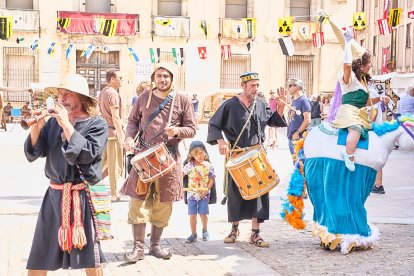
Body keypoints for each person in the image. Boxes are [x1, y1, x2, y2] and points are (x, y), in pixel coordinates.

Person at [24, 74, 107, 274]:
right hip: (54, 197)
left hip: (82, 197)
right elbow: (35, 153)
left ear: (81, 98)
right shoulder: (52, 123)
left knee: (91, 260)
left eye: (68, 94)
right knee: (38, 257)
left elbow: (89, 153)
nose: (62, 98)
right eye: (61, 94)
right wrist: (36, 129)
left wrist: (67, 125)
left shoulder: (97, 124)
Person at [122, 63, 196, 262]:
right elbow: (132, 122)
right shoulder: (143, 98)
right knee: (138, 201)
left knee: (164, 203)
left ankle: (155, 245)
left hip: (169, 158)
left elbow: (191, 128)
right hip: (144, 156)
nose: (163, 79)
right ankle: (138, 247)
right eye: (159, 76)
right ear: (154, 77)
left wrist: (178, 131)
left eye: (167, 76)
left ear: (172, 78)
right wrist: (129, 138)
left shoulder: (183, 100)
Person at [207, 72, 286, 248]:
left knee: (259, 192)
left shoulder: (261, 103)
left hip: (257, 154)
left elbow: (272, 121)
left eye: (257, 85)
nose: (256, 89)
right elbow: (214, 124)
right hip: (237, 155)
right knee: (237, 193)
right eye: (252, 85)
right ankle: (234, 229)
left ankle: (255, 234)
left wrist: (280, 107)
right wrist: (220, 142)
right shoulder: (229, 105)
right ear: (243, 86)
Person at [332, 27, 389, 172]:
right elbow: (347, 65)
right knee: (356, 129)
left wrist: (380, 99)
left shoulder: (363, 80)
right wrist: (347, 44)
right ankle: (349, 154)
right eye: (369, 61)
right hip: (349, 111)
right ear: (362, 63)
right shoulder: (349, 77)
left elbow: (367, 103)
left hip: (360, 112)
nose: (371, 64)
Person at [99, 69, 124, 202]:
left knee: (103, 163)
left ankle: (90, 184)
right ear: (113, 79)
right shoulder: (113, 94)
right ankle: (114, 193)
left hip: (104, 132)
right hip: (113, 133)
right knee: (114, 164)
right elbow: (115, 117)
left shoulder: (103, 91)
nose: (122, 80)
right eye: (120, 77)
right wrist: (121, 136)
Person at [182, 141, 216, 243]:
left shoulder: (208, 165)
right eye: (196, 154)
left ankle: (205, 231)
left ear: (205, 152)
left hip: (204, 195)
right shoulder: (189, 165)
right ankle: (193, 234)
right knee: (192, 215)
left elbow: (212, 179)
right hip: (191, 195)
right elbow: (181, 175)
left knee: (203, 214)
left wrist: (207, 190)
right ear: (191, 155)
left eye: (201, 153)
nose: (199, 156)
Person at [282, 78, 311, 155]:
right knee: (296, 162)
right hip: (292, 137)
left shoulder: (304, 100)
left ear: (296, 86)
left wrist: (297, 132)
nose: (288, 88)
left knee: (301, 164)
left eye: (290, 86)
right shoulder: (294, 101)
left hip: (299, 138)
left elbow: (307, 120)